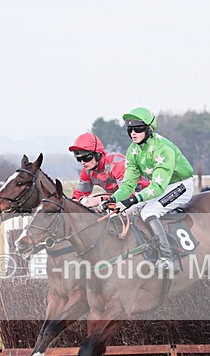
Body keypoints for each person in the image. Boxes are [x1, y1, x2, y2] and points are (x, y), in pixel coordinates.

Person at [102, 107, 195, 274]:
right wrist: (113, 199)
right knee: (127, 211)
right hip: (160, 187)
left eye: (138, 129)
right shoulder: (133, 151)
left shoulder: (163, 148)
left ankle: (168, 258)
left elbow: (157, 187)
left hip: (180, 185)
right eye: (130, 129)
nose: (133, 133)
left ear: (148, 129)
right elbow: (128, 185)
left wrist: (131, 200)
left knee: (148, 212)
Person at [68, 132, 149, 205]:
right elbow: (79, 195)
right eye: (78, 159)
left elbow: (127, 194)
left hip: (145, 194)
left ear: (98, 154)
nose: (82, 162)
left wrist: (101, 199)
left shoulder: (117, 164)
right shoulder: (87, 171)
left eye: (86, 158)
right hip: (119, 198)